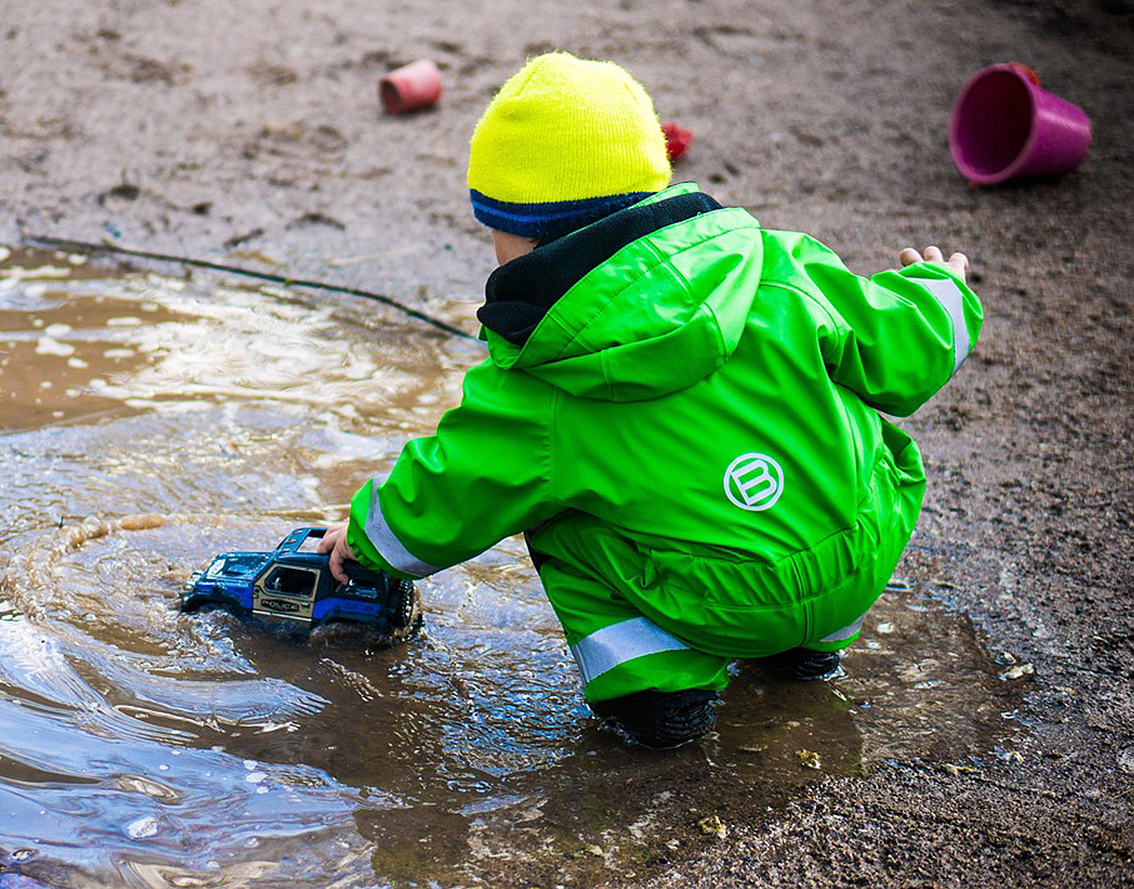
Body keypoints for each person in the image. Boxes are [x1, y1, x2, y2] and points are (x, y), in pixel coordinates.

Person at [318, 52, 982, 748]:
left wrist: (364, 542)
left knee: (549, 508)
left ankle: (658, 693)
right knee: (836, 426)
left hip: (721, 601)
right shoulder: (778, 264)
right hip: (858, 552)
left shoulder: (537, 381)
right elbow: (902, 347)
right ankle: (805, 653)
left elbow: (451, 489)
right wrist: (944, 291)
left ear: (511, 231)